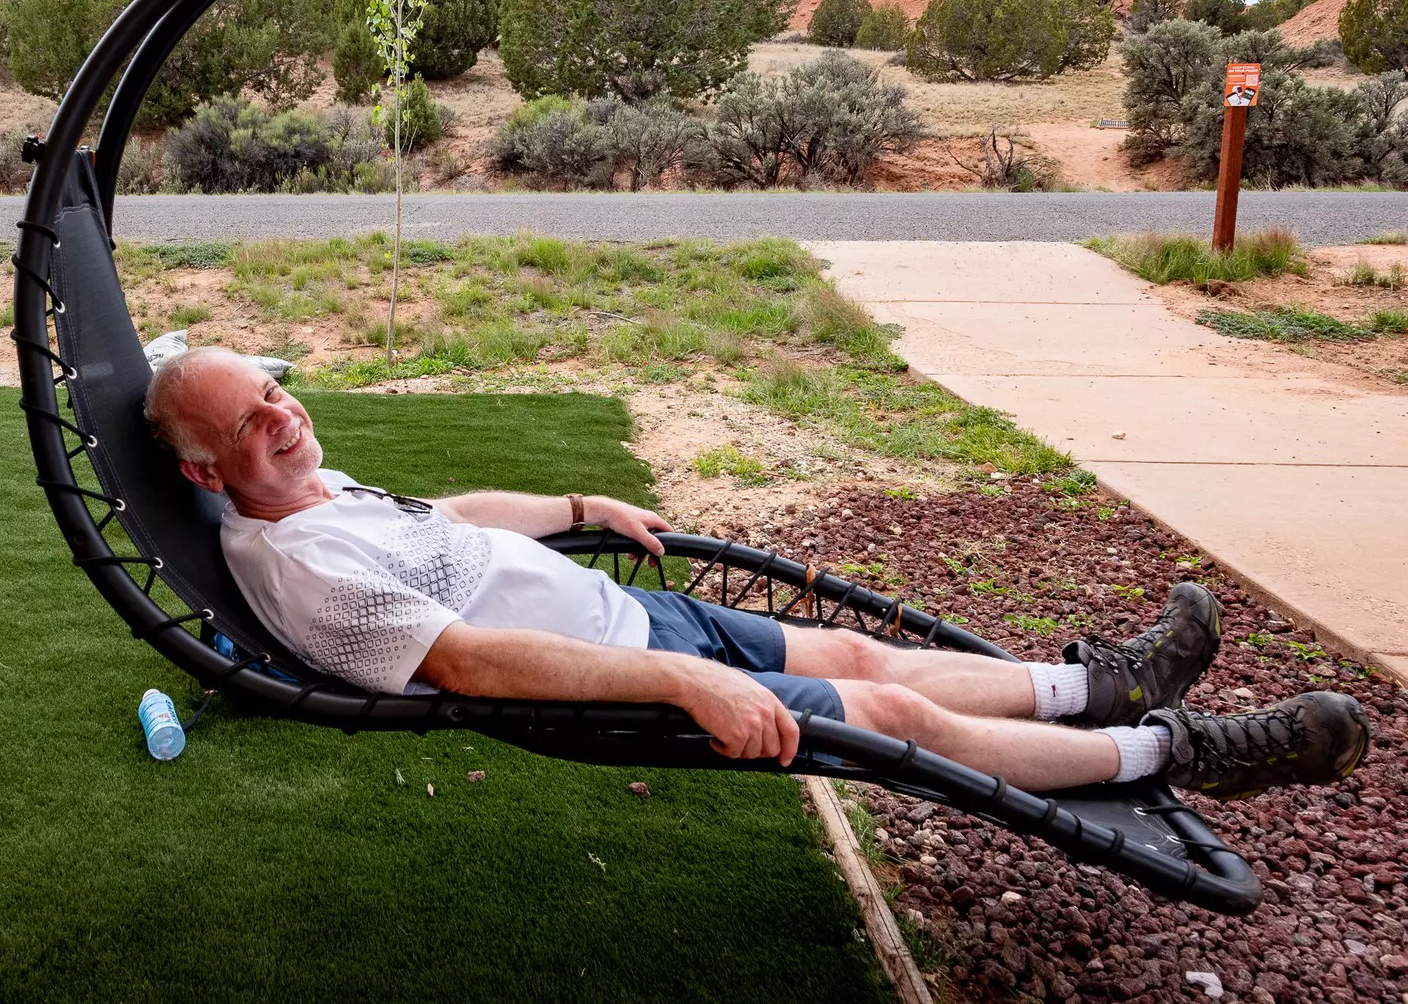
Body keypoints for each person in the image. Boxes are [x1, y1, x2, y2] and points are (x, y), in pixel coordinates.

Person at [143, 348, 1370, 797]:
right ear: (205, 471)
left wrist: (577, 507)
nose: (283, 417)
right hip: (609, 680)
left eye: (276, 391)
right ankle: (1180, 754)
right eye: (251, 422)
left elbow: (450, 518)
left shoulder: (316, 489)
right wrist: (680, 684)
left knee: (858, 650)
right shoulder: (298, 564)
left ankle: (1101, 689)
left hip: (628, 618)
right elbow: (464, 664)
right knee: (888, 715)